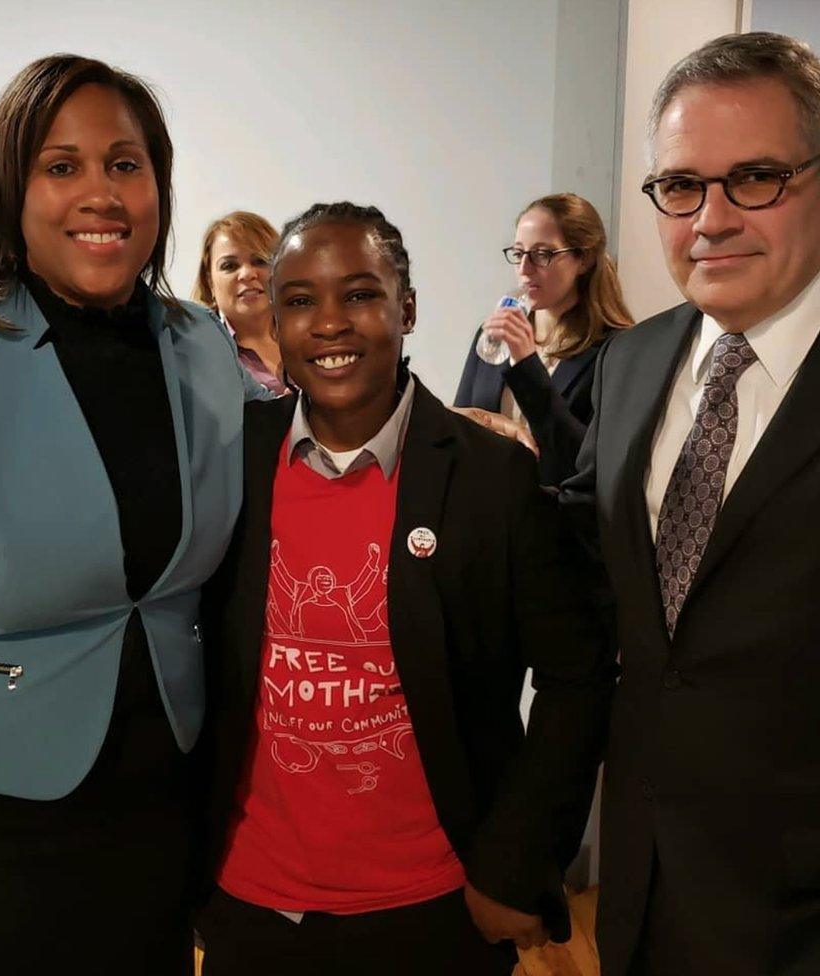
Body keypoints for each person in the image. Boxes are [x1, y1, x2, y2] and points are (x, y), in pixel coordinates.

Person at [0, 55, 261, 976]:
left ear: (159, 184)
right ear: (12, 191)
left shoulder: (202, 350)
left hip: (161, 817)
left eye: (125, 163)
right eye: (60, 165)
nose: (100, 193)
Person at [198, 202, 617, 976]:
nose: (329, 324)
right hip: (251, 905)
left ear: (409, 309)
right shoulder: (232, 467)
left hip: (434, 909)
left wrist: (514, 863)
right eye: (299, 301)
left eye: (359, 294)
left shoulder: (493, 480)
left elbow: (578, 676)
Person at [561, 32, 820, 976]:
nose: (711, 218)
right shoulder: (630, 362)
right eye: (680, 185)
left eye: (756, 177)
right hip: (644, 892)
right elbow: (582, 564)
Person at [455, 193, 633, 486]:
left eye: (542, 254)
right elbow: (459, 428)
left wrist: (527, 366)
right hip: (488, 514)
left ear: (584, 259)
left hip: (556, 521)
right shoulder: (496, 333)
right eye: (518, 253)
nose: (524, 269)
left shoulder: (616, 350)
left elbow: (589, 465)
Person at [193, 210, 290, 395]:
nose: (247, 274)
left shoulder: (310, 337)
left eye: (260, 261)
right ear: (209, 282)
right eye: (230, 266)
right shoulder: (197, 356)